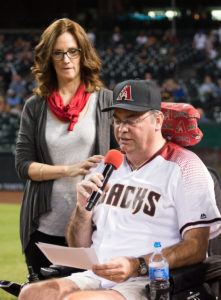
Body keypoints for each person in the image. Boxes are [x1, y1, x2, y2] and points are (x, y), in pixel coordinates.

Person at [18, 79, 221, 300]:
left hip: (150, 281)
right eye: (117, 121)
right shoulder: (105, 165)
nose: (122, 129)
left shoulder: (185, 167)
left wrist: (137, 265)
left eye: (132, 120)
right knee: (31, 294)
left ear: (158, 120)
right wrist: (82, 212)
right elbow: (79, 247)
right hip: (96, 274)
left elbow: (197, 247)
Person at [15, 18, 116, 278]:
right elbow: (23, 165)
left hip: (92, 228)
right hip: (44, 227)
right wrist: (69, 169)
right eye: (58, 53)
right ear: (48, 58)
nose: (66, 59)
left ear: (83, 53)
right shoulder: (35, 106)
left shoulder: (105, 101)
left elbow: (121, 160)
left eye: (72, 51)